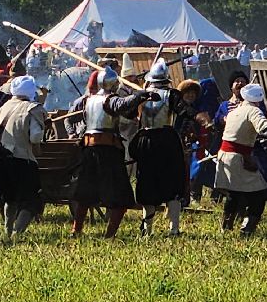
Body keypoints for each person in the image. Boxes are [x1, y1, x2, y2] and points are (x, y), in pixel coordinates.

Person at [70, 66, 138, 238]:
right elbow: (123, 104)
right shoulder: (110, 100)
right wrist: (139, 95)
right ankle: (109, 235)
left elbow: (128, 113)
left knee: (85, 194)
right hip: (107, 153)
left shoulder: (88, 100)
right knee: (120, 196)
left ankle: (77, 230)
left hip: (90, 150)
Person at [214, 82, 267, 235]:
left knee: (234, 194)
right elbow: (264, 127)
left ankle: (226, 227)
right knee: (259, 195)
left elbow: (250, 131)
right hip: (238, 158)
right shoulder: (253, 111)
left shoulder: (236, 110)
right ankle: (247, 229)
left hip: (226, 156)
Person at [131, 62, 194, 238]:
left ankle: (147, 230)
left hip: (146, 141)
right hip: (166, 141)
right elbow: (185, 111)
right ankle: (173, 229)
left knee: (147, 183)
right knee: (172, 183)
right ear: (167, 79)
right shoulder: (170, 95)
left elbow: (129, 112)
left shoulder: (140, 96)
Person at [0, 74, 46, 239]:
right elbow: (35, 137)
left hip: (3, 160)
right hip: (24, 160)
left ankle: (7, 231)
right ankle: (17, 233)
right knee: (31, 201)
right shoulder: (34, 109)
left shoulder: (5, 107)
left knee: (10, 198)